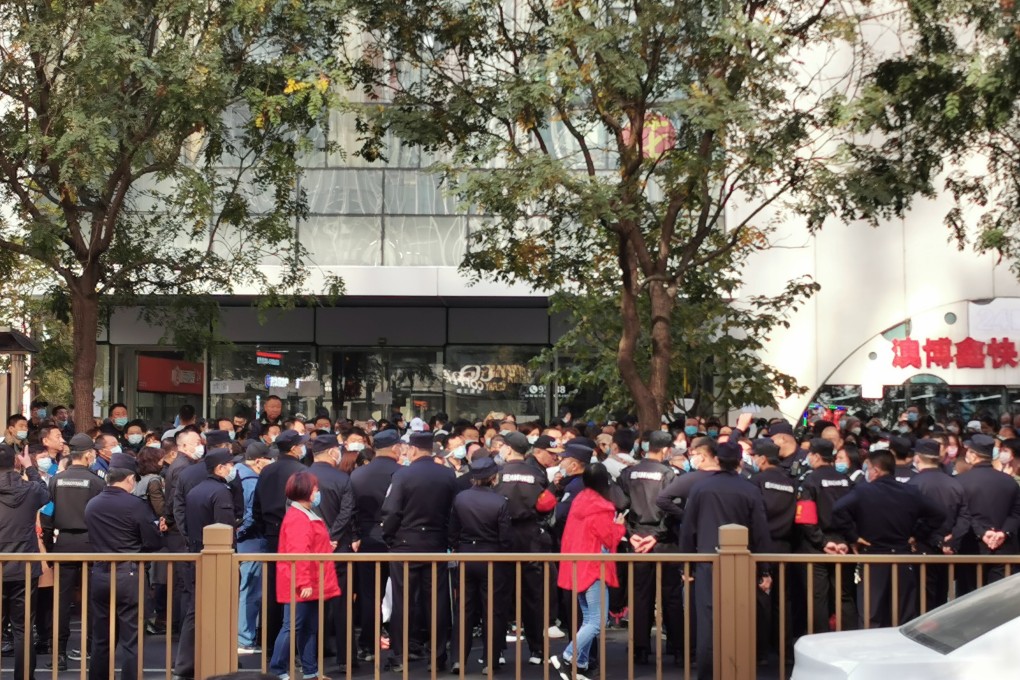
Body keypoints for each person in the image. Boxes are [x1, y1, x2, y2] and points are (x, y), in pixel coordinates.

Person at [679, 440, 771, 680]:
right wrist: (764, 569)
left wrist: (685, 565)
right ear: (740, 462)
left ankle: (707, 674)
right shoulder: (750, 489)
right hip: (742, 563)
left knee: (707, 622)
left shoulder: (700, 488)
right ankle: (738, 672)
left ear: (717, 460)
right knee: (740, 618)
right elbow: (760, 531)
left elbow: (688, 528)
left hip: (706, 561)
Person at [832, 449, 945, 627]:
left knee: (871, 615)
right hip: (903, 558)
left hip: (873, 558)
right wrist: (917, 535)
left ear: (876, 470)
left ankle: (870, 645)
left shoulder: (863, 491)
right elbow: (939, 514)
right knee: (903, 616)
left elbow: (838, 509)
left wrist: (853, 536)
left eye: (869, 468)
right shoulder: (910, 492)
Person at [380, 432, 458, 672]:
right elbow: (453, 511)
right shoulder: (447, 474)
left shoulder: (402, 475)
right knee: (437, 602)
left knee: (402, 601)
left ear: (412, 449)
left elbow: (391, 511)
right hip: (436, 543)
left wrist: (389, 537)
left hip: (405, 543)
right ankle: (438, 656)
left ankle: (399, 655)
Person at [84, 452, 163, 680]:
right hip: (129, 573)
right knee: (131, 639)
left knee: (101, 638)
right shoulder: (135, 505)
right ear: (129, 478)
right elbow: (153, 541)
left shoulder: (93, 504)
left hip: (100, 572)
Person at [548, 464, 625, 680]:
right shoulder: (603, 507)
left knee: (588, 619)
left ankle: (579, 663)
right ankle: (566, 657)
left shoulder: (579, 501)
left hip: (576, 566)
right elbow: (609, 538)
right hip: (594, 568)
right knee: (597, 622)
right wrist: (619, 526)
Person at [617, 430, 682, 665]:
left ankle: (640, 648)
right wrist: (657, 536)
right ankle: (678, 648)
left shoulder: (628, 473)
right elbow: (673, 509)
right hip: (664, 541)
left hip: (637, 540)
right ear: (666, 450)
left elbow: (619, 506)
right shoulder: (669, 474)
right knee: (671, 595)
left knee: (640, 595)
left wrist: (632, 534)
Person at [174, 448, 240, 680]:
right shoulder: (220, 492)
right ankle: (215, 661)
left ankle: (186, 663)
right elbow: (225, 528)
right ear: (220, 468)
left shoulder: (196, 491)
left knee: (196, 610)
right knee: (218, 610)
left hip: (196, 554)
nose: (233, 469)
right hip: (216, 560)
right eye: (230, 465)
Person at [268, 471, 341, 680]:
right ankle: (278, 670)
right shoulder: (299, 517)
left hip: (308, 580)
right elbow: (298, 552)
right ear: (308, 491)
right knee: (294, 626)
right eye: (315, 489)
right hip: (303, 581)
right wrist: (303, 582)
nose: (318, 492)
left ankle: (310, 671)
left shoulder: (303, 514)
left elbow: (305, 547)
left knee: (306, 627)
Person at [494, 432, 558, 663]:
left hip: (503, 538)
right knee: (533, 596)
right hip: (531, 538)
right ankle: (537, 650)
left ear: (508, 449)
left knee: (500, 595)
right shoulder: (536, 474)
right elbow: (545, 506)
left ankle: (497, 651)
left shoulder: (498, 474)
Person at [47, 433, 105, 670]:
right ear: (89, 454)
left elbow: (47, 515)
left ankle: (59, 653)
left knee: (61, 601)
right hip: (90, 544)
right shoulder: (97, 482)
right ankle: (91, 649)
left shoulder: (55, 480)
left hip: (63, 544)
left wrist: (48, 548)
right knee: (91, 600)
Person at [449, 457, 513, 673]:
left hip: (466, 555)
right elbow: (506, 538)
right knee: (492, 610)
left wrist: (457, 547)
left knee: (463, 609)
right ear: (493, 477)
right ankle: (490, 660)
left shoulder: (460, 498)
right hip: (492, 557)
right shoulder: (500, 501)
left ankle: (458, 659)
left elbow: (453, 531)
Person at [253, 430, 310, 649]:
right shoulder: (302, 471)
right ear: (294, 448)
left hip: (272, 534)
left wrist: (265, 529)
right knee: (297, 588)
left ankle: (269, 642)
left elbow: (257, 506)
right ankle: (293, 645)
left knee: (273, 589)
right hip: (295, 535)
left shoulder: (267, 470)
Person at [794, 438, 856, 635]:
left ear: (816, 456)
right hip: (843, 546)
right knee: (844, 596)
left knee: (817, 597)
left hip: (817, 547)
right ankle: (849, 638)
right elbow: (855, 514)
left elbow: (806, 518)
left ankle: (819, 640)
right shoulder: (847, 481)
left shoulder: (810, 481)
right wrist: (846, 541)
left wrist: (822, 542)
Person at [307, 434, 359, 669]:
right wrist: (334, 537)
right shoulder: (342, 478)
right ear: (331, 452)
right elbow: (347, 511)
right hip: (339, 550)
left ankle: (312, 656)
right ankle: (346, 658)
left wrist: (320, 538)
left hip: (311, 549)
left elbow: (296, 511)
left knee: (313, 604)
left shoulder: (302, 476)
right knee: (342, 604)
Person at [349, 429, 401, 662]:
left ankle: (368, 644)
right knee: (401, 593)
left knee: (370, 595)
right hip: (398, 538)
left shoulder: (358, 475)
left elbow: (351, 510)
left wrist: (356, 534)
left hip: (367, 538)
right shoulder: (402, 473)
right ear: (396, 447)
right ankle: (401, 644)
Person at [0, 442, 50, 680]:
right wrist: (31, 468)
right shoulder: (31, 489)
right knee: (23, 629)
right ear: (15, 461)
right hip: (25, 566)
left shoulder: (30, 489)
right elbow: (45, 492)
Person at [956, 434, 1020, 590]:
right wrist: (1003, 532)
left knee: (970, 596)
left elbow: (962, 514)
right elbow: (1016, 512)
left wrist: (982, 532)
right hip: (1003, 549)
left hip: (971, 548)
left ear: (973, 454)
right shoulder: (1009, 481)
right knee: (1000, 596)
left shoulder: (960, 481)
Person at [236, 442, 275, 655]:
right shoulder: (252, 481)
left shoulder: (236, 474)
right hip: (252, 542)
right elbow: (251, 515)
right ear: (259, 461)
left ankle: (243, 636)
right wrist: (240, 532)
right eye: (269, 458)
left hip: (241, 543)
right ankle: (245, 638)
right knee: (251, 591)